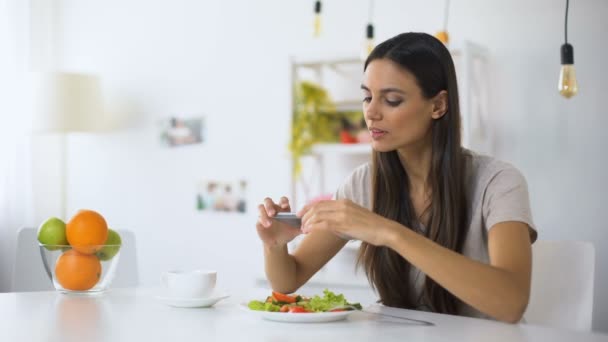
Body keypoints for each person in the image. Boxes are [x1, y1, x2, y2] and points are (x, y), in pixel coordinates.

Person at [256, 32, 536, 323]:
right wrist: (276, 244)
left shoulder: (498, 182)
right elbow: (288, 279)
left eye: (391, 100)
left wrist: (389, 233)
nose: (371, 112)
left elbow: (511, 302)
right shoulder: (363, 184)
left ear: (438, 106)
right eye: (367, 97)